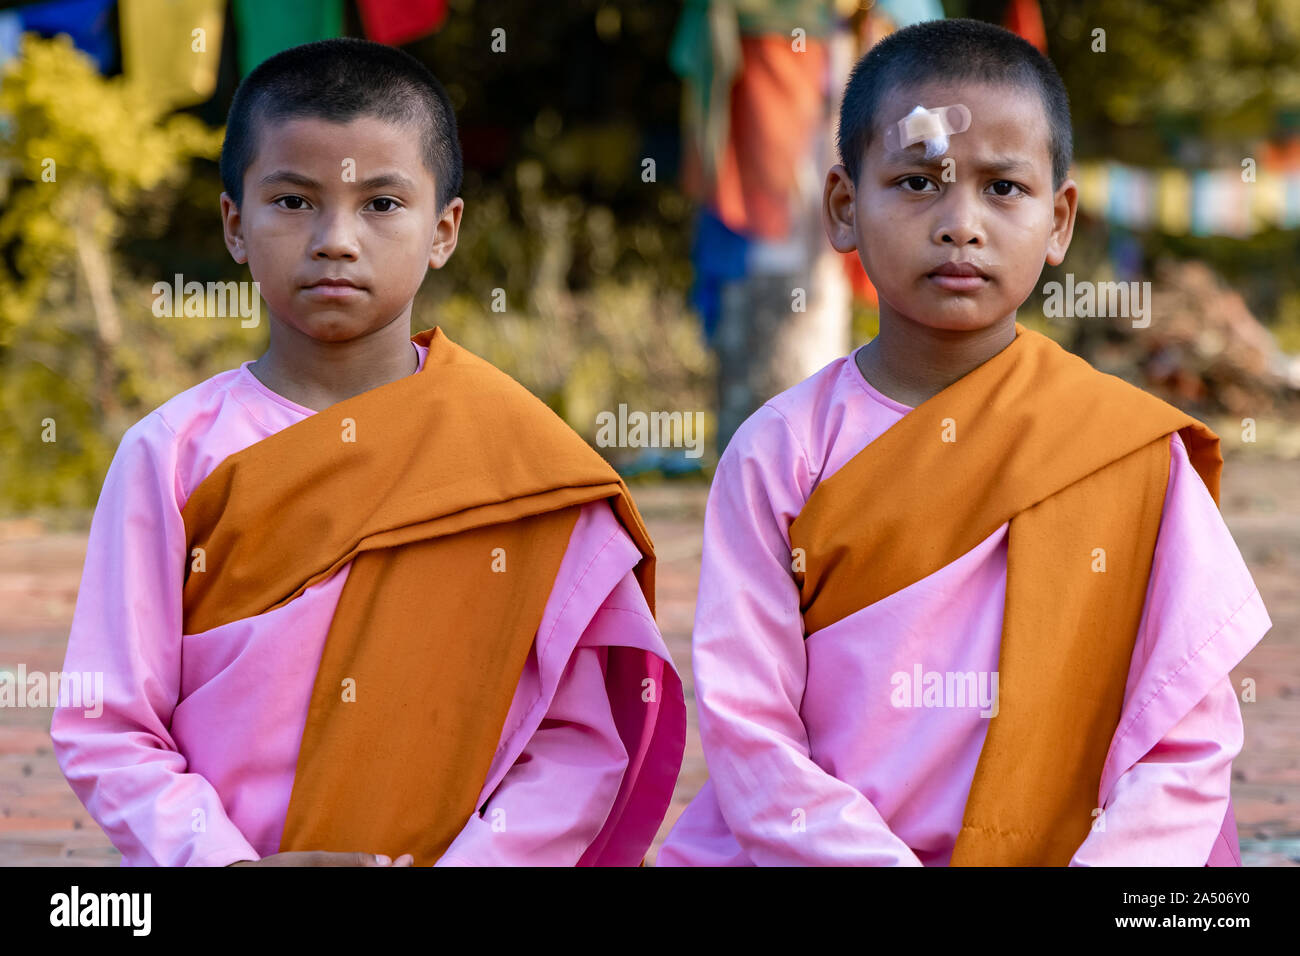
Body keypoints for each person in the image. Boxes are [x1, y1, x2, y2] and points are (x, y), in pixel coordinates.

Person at [50, 37, 685, 867]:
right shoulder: (172, 455)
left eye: (382, 204)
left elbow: (578, 738)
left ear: (443, 230)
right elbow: (110, 725)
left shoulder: (522, 461)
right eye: (293, 201)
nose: (336, 240)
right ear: (234, 225)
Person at [657, 18, 1269, 866]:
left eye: (1003, 190)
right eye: (917, 182)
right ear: (844, 206)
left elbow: (1186, 738)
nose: (960, 223)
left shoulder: (1128, 450)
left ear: (1059, 222)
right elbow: (750, 731)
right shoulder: (780, 453)